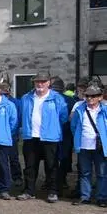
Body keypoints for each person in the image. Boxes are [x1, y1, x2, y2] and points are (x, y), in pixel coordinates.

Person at [17, 72, 68, 203]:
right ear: (34, 83)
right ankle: (29, 191)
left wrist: (52, 128)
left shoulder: (57, 98)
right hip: (31, 137)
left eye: (43, 82)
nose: (40, 84)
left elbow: (63, 116)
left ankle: (52, 191)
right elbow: (22, 115)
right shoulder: (26, 98)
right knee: (29, 166)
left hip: (50, 138)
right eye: (37, 81)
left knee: (51, 166)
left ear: (48, 83)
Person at [70, 85, 107, 206]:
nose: (90, 98)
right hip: (84, 146)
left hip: (101, 147)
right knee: (84, 173)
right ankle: (85, 196)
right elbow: (73, 126)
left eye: (93, 96)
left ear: (100, 97)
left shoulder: (105, 110)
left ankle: (101, 197)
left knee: (102, 173)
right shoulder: (80, 109)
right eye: (87, 96)